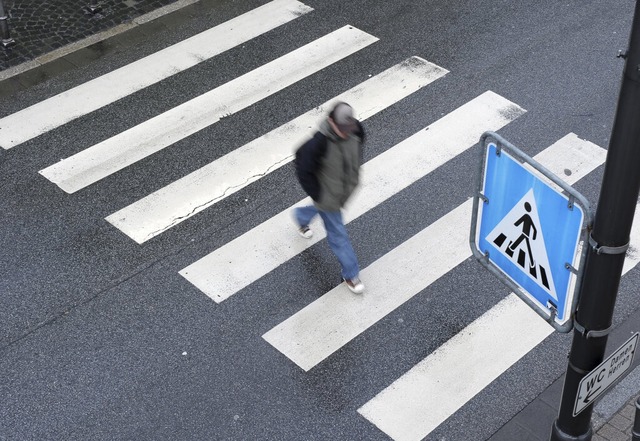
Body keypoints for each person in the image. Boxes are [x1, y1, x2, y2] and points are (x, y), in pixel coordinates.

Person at [293, 102, 365, 294]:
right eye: (342, 128)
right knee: (338, 234)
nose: (345, 132)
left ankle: (301, 217)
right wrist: (317, 194)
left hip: (343, 190)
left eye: (348, 128)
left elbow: (359, 146)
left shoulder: (355, 130)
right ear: (331, 122)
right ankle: (351, 274)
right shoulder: (319, 142)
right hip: (328, 195)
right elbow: (301, 163)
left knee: (320, 210)